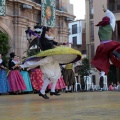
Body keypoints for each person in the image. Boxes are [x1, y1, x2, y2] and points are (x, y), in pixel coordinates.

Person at [91, 5, 120, 78]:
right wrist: (106, 10)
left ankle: (102, 75)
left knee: (104, 61)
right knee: (116, 49)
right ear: (108, 21)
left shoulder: (99, 28)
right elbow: (113, 17)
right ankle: (116, 54)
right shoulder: (110, 26)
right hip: (110, 45)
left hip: (101, 47)